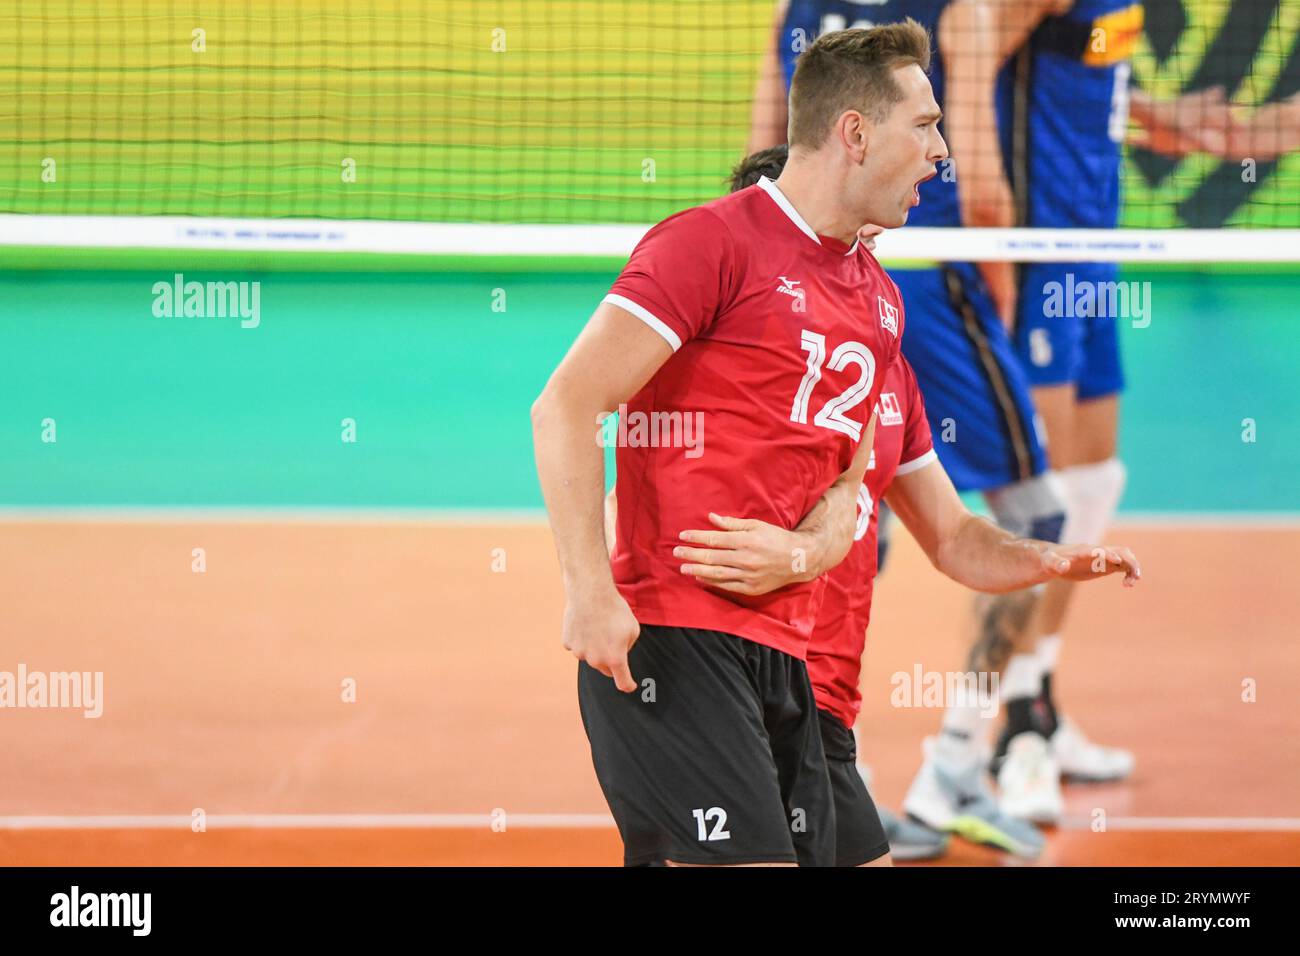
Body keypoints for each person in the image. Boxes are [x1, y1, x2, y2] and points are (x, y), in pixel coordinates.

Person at [533, 22, 945, 865]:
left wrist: (802, 557)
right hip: (674, 638)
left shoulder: (877, 301)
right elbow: (567, 405)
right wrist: (588, 592)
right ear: (856, 134)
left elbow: (854, 490)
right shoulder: (709, 242)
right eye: (927, 124)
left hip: (785, 654)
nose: (940, 152)